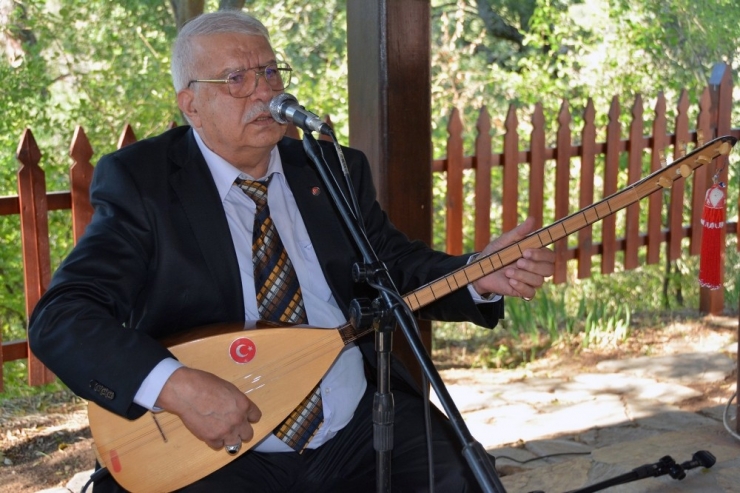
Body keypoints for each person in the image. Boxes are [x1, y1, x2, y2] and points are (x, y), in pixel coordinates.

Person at [28, 10, 555, 493]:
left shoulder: (330, 169)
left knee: (467, 480)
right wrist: (178, 387)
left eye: (271, 72)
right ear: (191, 103)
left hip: (357, 428)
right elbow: (63, 317)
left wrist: (476, 276)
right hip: (216, 447)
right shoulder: (143, 183)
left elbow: (391, 267)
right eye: (237, 79)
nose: (264, 91)